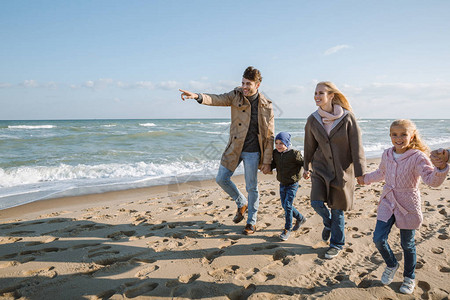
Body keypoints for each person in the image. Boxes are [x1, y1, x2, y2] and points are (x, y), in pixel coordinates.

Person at [179, 66, 274, 235]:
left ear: (257, 85)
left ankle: (251, 222)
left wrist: (267, 161)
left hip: (253, 152)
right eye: (243, 83)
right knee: (221, 178)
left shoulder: (266, 106)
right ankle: (241, 202)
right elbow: (217, 99)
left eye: (248, 84)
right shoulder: (235, 95)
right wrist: (197, 96)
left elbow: (269, 136)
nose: (244, 87)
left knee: (252, 187)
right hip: (235, 147)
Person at [360, 119, 448, 294]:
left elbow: (432, 181)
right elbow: (381, 173)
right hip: (387, 201)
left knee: (407, 244)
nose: (398, 138)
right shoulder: (386, 154)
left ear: (412, 135)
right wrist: (365, 179)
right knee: (378, 238)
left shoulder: (418, 157)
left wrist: (441, 168)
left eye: (403, 134)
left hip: (408, 204)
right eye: (394, 134)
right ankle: (392, 264)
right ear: (390, 136)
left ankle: (409, 277)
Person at [303, 81, 366, 259]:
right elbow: (309, 146)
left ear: (331, 95)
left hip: (342, 170)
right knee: (316, 202)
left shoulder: (347, 118)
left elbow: (357, 147)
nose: (316, 96)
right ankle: (329, 224)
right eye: (315, 93)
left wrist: (360, 173)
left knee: (337, 209)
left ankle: (336, 244)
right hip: (320, 169)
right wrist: (306, 167)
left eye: (320, 93)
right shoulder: (312, 119)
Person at [270, 132, 306, 241]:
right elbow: (273, 164)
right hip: (282, 183)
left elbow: (304, 163)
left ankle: (287, 229)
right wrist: (265, 167)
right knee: (284, 205)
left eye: (281, 143)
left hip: (292, 184)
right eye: (276, 143)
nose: (278, 146)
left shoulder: (294, 154)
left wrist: (308, 171)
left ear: (287, 143)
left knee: (288, 205)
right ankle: (300, 218)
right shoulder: (275, 153)